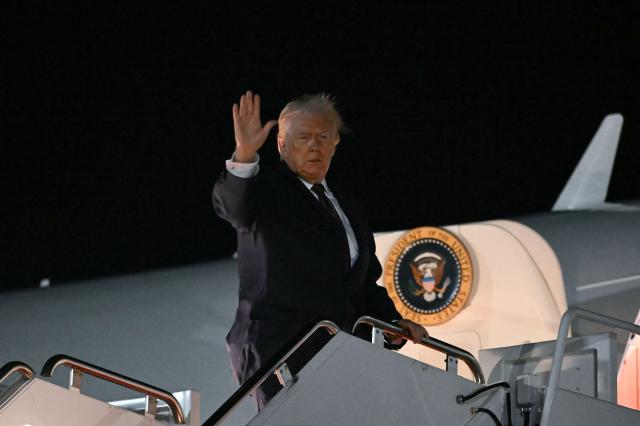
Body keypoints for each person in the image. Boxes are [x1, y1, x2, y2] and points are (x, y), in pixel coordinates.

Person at [213, 90, 428, 409]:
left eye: (322, 136)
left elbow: (362, 283)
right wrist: (244, 154)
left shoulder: (349, 207)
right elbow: (235, 206)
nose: (314, 145)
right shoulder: (266, 192)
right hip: (280, 349)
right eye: (303, 137)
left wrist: (393, 324)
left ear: (335, 144)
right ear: (282, 144)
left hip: (342, 349)